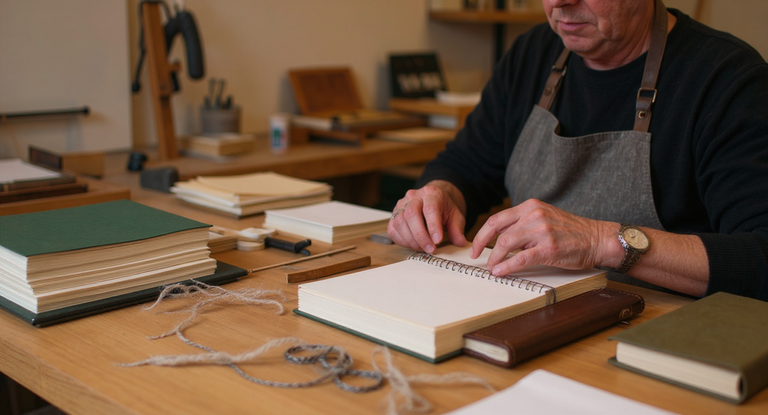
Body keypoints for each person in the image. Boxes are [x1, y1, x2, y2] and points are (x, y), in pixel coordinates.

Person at [387, 0, 768, 301]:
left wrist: (601, 241)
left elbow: (760, 256)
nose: (559, 2)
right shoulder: (532, 54)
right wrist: (438, 195)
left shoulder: (727, 79)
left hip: (661, 339)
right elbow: (466, 163)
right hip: (533, 309)